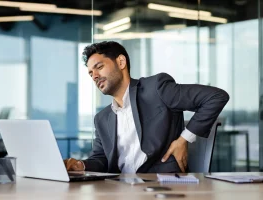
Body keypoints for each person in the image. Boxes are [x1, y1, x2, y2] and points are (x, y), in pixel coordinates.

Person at [64, 41, 229, 173]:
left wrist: (184, 139)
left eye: (99, 67)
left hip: (161, 186)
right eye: (91, 73)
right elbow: (101, 159)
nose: (95, 76)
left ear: (121, 62)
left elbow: (215, 97)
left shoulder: (156, 89)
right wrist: (81, 165)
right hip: (118, 190)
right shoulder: (102, 119)